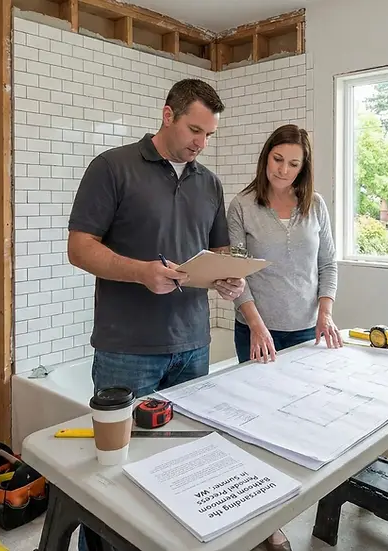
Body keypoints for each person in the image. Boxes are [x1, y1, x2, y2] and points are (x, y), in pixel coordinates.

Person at [67, 78, 246, 551]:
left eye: (208, 135)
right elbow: (80, 249)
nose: (200, 143)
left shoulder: (209, 182)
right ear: (167, 115)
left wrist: (230, 278)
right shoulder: (112, 167)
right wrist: (140, 272)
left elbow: (219, 251)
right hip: (127, 349)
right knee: (112, 474)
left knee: (183, 463)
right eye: (194, 130)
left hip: (193, 346)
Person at [226, 123, 341, 550]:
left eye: (294, 163)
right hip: (258, 332)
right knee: (259, 429)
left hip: (308, 333)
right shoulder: (241, 206)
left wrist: (325, 313)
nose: (284, 170)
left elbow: (328, 264)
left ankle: (285, 503)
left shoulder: (316, 206)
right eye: (278, 160)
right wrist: (255, 324)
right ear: (266, 157)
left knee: (299, 428)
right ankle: (266, 525)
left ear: (303, 166)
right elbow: (236, 273)